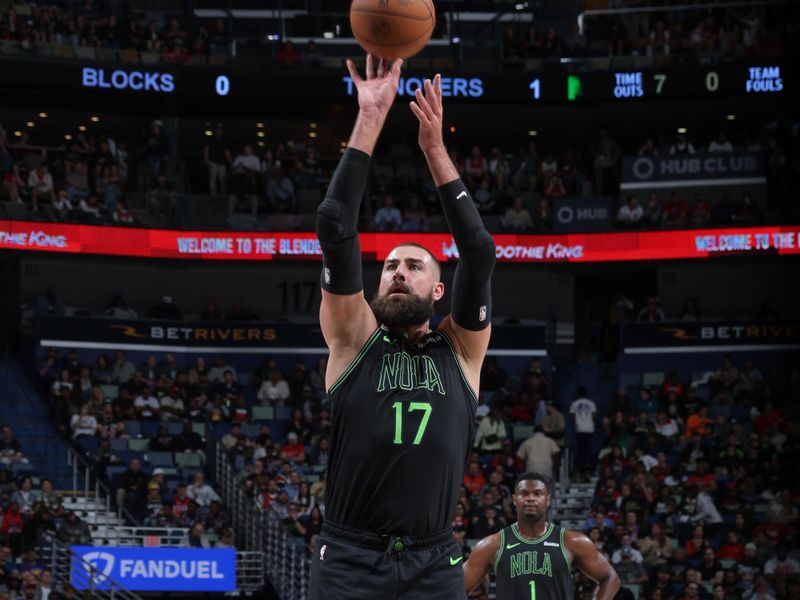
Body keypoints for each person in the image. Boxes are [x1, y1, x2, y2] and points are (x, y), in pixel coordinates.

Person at [309, 57, 496, 600]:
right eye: (390, 265)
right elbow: (334, 223)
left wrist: (434, 148)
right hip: (348, 558)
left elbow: (479, 251)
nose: (397, 273)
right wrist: (371, 115)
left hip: (432, 561)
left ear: (439, 291)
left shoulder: (460, 350)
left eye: (414, 267)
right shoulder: (353, 337)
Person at [464, 472, 620, 599]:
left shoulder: (571, 541)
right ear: (514, 500)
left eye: (537, 494)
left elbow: (610, 577)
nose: (530, 498)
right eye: (524, 494)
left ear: (548, 500)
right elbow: (456, 588)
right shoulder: (492, 544)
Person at [570, 386, 597, 476]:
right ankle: (589, 466)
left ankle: (582, 467)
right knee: (588, 448)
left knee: (581, 449)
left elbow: (573, 418)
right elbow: (593, 417)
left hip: (580, 429)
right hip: (589, 429)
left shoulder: (574, 404)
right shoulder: (591, 403)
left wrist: (579, 422)